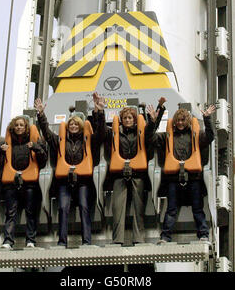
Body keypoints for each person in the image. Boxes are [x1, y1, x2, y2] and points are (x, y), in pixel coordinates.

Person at [92, 92, 166, 246]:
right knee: (117, 209)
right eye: (125, 118)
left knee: (138, 209)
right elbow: (100, 131)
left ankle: (138, 239)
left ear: (134, 119)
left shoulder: (141, 132)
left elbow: (151, 131)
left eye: (130, 118)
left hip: (137, 175)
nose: (127, 120)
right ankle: (117, 240)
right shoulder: (114, 133)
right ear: (121, 120)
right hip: (119, 176)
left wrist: (157, 113)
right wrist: (99, 111)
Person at [34, 98, 102, 247]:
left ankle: (87, 241)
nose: (73, 126)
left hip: (83, 181)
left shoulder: (87, 140)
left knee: (84, 206)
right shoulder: (60, 141)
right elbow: (46, 132)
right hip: (65, 181)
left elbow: (100, 132)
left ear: (81, 126)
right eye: (71, 124)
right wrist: (40, 114)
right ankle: (62, 241)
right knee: (63, 208)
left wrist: (98, 112)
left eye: (76, 124)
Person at [146, 103, 215, 243]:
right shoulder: (167, 137)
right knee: (171, 209)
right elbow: (150, 138)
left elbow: (209, 137)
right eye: (178, 120)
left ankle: (203, 235)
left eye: (183, 120)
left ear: (187, 121)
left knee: (197, 208)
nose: (180, 123)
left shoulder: (196, 135)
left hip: (193, 178)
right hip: (173, 179)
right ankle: (165, 237)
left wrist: (207, 119)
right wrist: (153, 121)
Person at [0, 116, 47, 249]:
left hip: (29, 184)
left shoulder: (33, 141)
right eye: (16, 125)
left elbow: (43, 160)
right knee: (11, 213)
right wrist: (0, 151)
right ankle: (8, 241)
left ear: (26, 127)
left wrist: (35, 147)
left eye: (21, 125)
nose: (19, 127)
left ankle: (30, 240)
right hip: (11, 184)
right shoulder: (7, 144)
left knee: (30, 212)